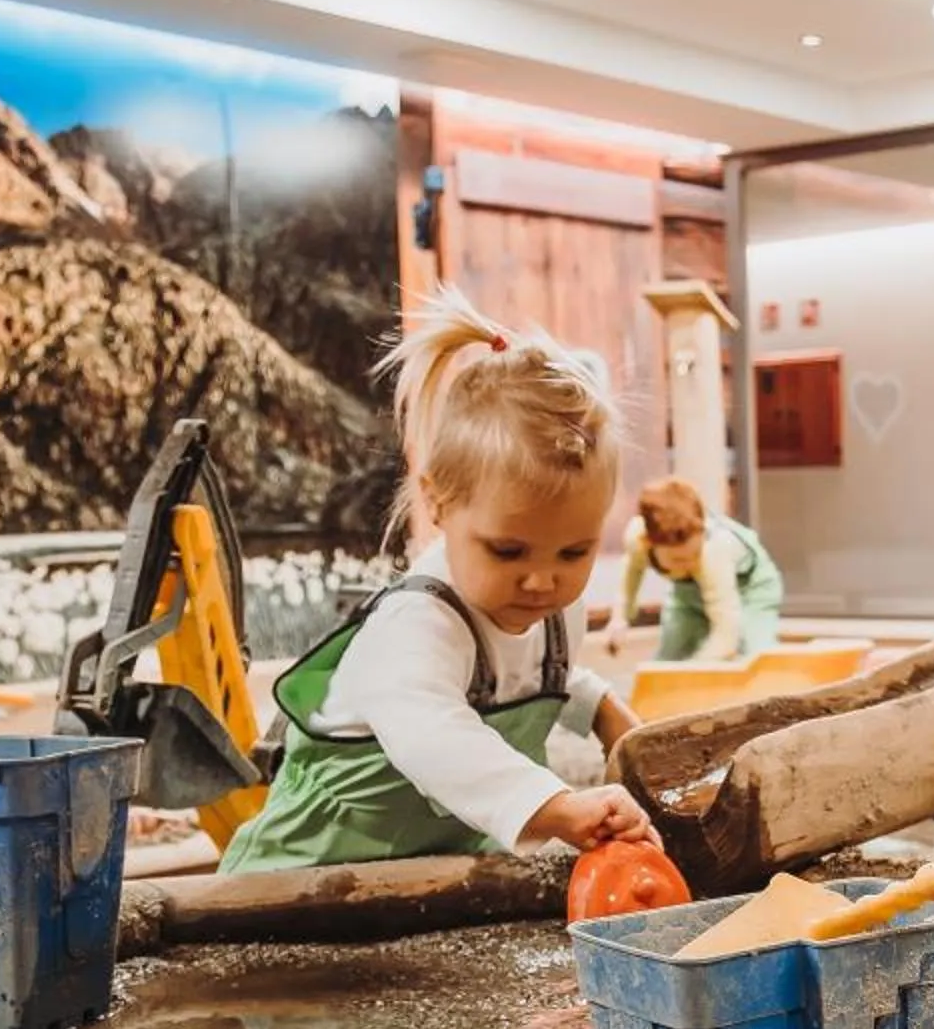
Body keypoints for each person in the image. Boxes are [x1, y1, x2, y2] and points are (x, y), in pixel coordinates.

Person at [222, 289, 658, 871]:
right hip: (304, 878)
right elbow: (433, 734)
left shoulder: (551, 612)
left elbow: (527, 671)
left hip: (429, 876)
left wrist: (603, 709)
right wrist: (555, 806)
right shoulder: (416, 624)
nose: (541, 581)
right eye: (508, 550)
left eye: (574, 552)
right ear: (438, 503)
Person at [613, 476, 785, 661]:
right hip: (687, 592)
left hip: (751, 587)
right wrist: (620, 618)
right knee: (669, 657)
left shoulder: (714, 551)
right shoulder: (636, 539)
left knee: (754, 655)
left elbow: (726, 633)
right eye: (678, 560)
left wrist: (696, 669)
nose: (690, 564)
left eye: (695, 555)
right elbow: (631, 575)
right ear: (648, 544)